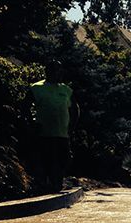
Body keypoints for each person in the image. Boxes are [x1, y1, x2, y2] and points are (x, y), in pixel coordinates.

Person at [30, 61, 79, 193]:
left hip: (62, 133)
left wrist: (72, 127)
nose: (57, 73)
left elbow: (75, 109)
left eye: (59, 70)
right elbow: (25, 107)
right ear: (47, 71)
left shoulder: (66, 90)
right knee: (45, 159)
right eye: (53, 70)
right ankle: (46, 185)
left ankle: (57, 183)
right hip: (44, 133)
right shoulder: (37, 87)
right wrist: (31, 123)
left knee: (64, 159)